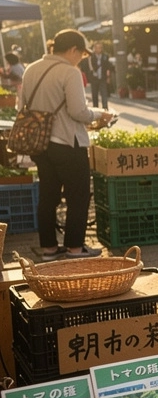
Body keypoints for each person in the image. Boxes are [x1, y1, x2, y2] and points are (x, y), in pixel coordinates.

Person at [21, 29, 114, 260]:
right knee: (78, 195)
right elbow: (78, 111)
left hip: (40, 145)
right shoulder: (70, 72)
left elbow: (20, 106)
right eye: (82, 54)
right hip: (67, 143)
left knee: (48, 196)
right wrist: (100, 114)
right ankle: (74, 247)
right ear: (73, 50)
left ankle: (49, 249)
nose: (81, 59)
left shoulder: (31, 69)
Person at [86, 41, 113, 110]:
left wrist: (108, 77)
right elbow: (89, 67)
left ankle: (105, 109)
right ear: (94, 48)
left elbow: (108, 67)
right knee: (94, 95)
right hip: (94, 78)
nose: (98, 49)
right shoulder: (91, 56)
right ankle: (96, 110)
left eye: (100, 48)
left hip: (103, 78)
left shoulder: (105, 56)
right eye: (97, 48)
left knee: (104, 94)